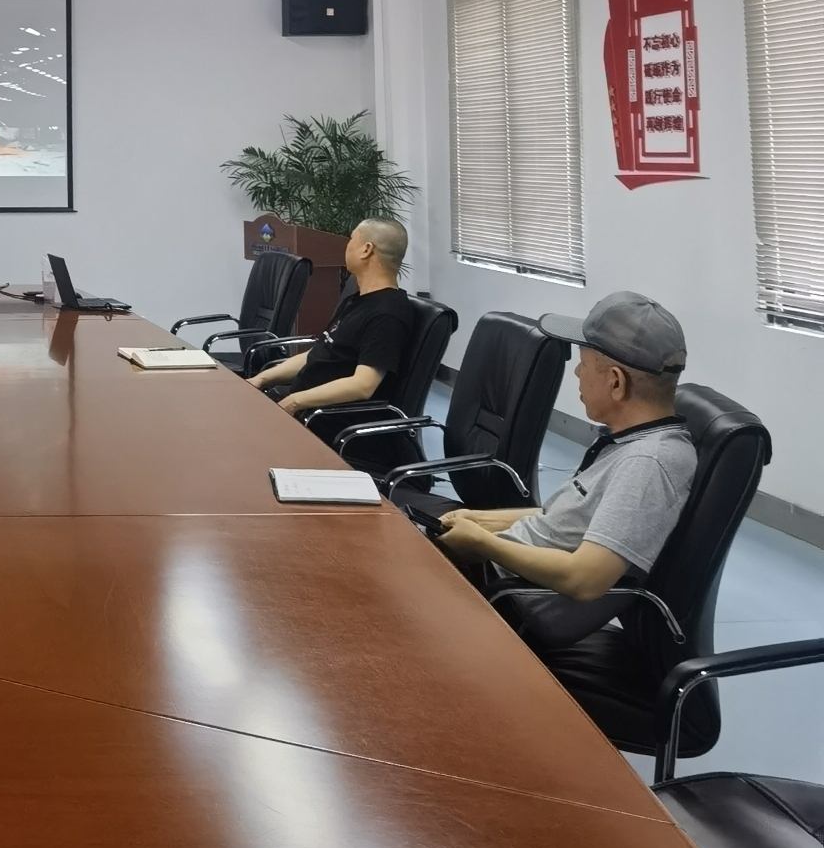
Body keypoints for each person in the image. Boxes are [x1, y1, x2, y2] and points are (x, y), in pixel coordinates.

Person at [435, 292, 695, 610]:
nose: (577, 373)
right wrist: (478, 520)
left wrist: (481, 543)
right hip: (499, 571)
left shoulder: (646, 464)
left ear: (616, 383)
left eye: (583, 364)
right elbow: (562, 520)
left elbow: (584, 579)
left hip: (503, 595)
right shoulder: (629, 442)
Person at [247, 218, 416, 418]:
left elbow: (363, 385)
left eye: (351, 239)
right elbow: (318, 353)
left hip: (323, 418)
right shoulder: (357, 300)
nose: (347, 246)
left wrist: (294, 402)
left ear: (366, 250)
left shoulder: (387, 315)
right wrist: (260, 379)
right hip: (303, 405)